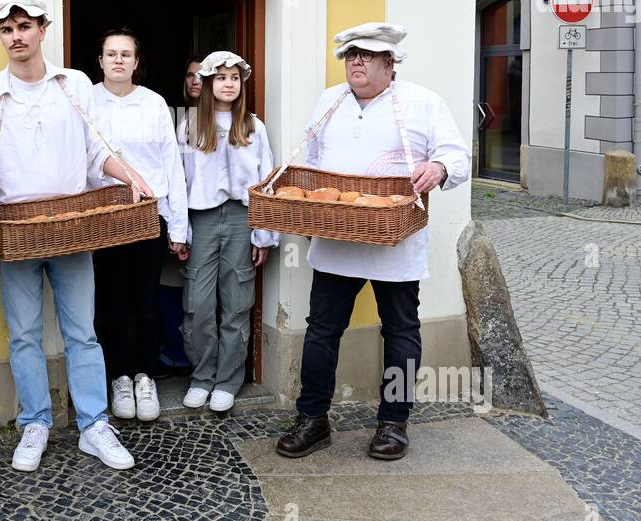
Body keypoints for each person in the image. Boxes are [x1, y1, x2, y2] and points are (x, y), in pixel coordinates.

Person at [0, 0, 152, 472]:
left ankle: (94, 425)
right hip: (17, 229)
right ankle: (35, 422)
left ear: (42, 30)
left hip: (73, 226)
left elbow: (95, 151)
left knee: (82, 333)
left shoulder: (73, 84)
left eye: (24, 26)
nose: (15, 37)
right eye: (6, 30)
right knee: (24, 334)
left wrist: (128, 173)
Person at [275, 23, 469, 461]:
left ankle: (393, 423)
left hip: (395, 243)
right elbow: (311, 161)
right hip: (337, 241)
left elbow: (457, 156)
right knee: (322, 332)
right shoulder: (330, 100)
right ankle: (313, 419)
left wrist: (438, 168)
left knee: (400, 331)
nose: (355, 62)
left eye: (366, 55)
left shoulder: (423, 102)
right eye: (350, 55)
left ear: (390, 63)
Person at [89, 28, 190, 421]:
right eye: (111, 53)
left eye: (125, 54)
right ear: (100, 61)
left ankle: (144, 377)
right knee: (110, 303)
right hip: (102, 218)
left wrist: (179, 228)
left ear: (136, 62)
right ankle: (119, 378)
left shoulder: (154, 104)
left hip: (150, 216)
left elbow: (171, 167)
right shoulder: (87, 101)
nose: (118, 60)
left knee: (145, 302)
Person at [176, 51, 278, 412]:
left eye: (235, 78)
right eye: (221, 78)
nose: (228, 84)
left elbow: (267, 181)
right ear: (206, 83)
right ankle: (202, 376)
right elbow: (179, 180)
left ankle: (227, 380)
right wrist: (179, 230)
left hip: (240, 218)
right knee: (199, 303)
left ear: (242, 83)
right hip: (202, 218)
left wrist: (263, 233)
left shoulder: (253, 126)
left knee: (236, 301)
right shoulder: (190, 125)